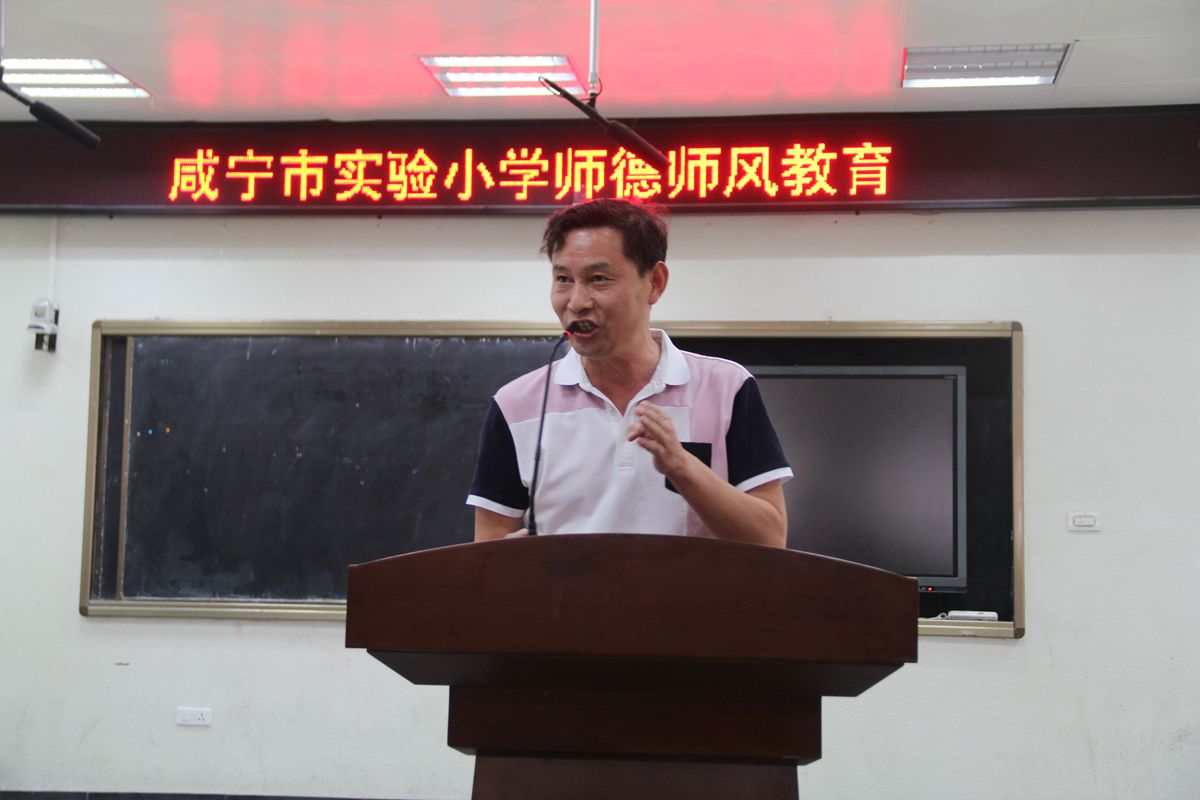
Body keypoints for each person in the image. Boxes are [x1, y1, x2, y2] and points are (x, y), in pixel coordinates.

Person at [467, 199, 792, 547]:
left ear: (655, 282)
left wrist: (682, 467)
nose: (576, 302)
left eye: (599, 279)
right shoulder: (516, 404)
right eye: (563, 279)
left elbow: (770, 540)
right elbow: (487, 549)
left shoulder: (727, 388)